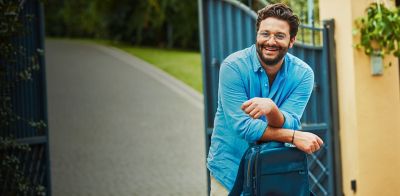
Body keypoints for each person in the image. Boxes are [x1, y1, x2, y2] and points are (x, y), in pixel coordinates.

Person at [207, 3, 324, 195]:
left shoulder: (303, 75)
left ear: (292, 40)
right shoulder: (233, 67)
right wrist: (293, 137)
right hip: (230, 170)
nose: (271, 41)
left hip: (274, 172)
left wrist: (271, 109)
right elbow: (243, 127)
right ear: (257, 35)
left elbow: (291, 122)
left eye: (279, 35)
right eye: (265, 33)